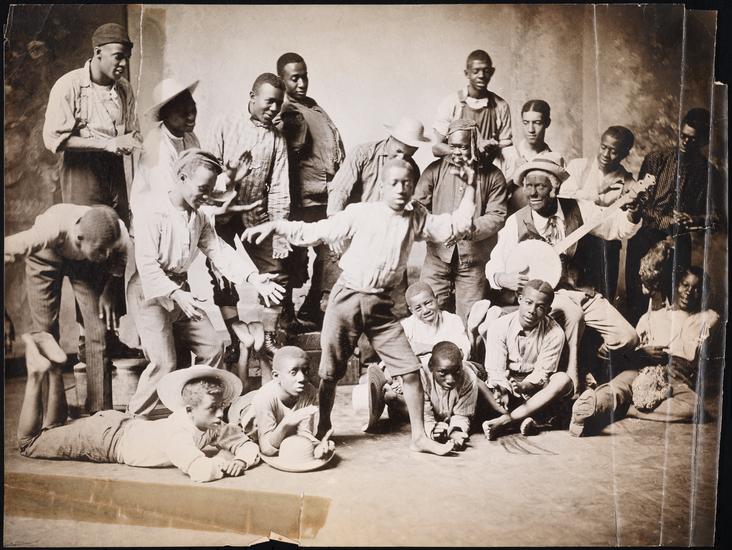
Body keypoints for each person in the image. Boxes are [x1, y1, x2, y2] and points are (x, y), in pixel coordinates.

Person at [243, 157, 477, 455]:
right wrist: (278, 226)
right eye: (394, 183)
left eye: (406, 183)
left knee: (410, 369)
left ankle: (419, 437)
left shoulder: (417, 216)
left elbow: (455, 226)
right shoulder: (361, 213)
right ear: (382, 187)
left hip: (382, 304)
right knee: (330, 373)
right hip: (347, 298)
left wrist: (470, 186)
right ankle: (323, 427)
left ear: (413, 187)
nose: (400, 189)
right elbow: (318, 231)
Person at [127, 149, 284, 416]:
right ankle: (133, 420)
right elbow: (147, 265)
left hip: (181, 291)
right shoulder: (152, 212)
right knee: (164, 363)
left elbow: (218, 251)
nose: (206, 196)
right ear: (182, 178)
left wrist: (253, 278)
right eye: (202, 189)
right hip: (150, 292)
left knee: (212, 346)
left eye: (210, 190)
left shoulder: (199, 216)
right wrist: (177, 294)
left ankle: (199, 414)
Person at [484, 153, 648, 396]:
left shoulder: (579, 208)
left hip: (581, 292)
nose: (532, 193)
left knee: (628, 337)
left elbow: (617, 228)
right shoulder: (515, 222)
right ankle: (573, 388)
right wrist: (501, 278)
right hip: (549, 297)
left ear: (555, 188)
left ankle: (589, 364)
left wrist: (632, 213)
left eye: (540, 186)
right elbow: (493, 265)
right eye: (528, 186)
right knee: (573, 316)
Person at [17, 350, 261, 483]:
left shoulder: (211, 423)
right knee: (29, 443)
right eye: (212, 408)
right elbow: (200, 471)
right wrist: (222, 461)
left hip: (122, 426)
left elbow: (246, 444)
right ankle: (35, 374)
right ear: (189, 410)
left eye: (221, 406)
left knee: (53, 429)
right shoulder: (179, 434)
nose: (220, 414)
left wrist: (240, 461)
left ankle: (55, 368)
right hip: (106, 439)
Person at [5, 204, 131, 413]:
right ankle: (52, 413)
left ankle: (100, 413)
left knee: (98, 329)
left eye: (110, 249)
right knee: (46, 334)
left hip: (84, 262)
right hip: (45, 255)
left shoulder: (117, 232)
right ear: (80, 237)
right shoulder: (51, 228)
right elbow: (12, 247)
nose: (107, 255)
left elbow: (121, 259)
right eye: (102, 250)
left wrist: (109, 291)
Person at [570, 266, 720, 436]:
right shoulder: (652, 316)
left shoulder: (706, 318)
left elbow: (701, 334)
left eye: (697, 288)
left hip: (676, 375)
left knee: (696, 407)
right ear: (677, 286)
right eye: (685, 285)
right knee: (618, 388)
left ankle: (627, 408)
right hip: (644, 368)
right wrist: (643, 351)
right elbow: (631, 349)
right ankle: (585, 409)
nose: (689, 292)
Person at [206, 73, 291, 354]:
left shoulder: (277, 139)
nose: (273, 109)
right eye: (269, 101)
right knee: (221, 272)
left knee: (275, 269)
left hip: (255, 213)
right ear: (252, 97)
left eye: (278, 103)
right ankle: (235, 335)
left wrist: (279, 231)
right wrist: (227, 182)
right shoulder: (224, 123)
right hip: (221, 211)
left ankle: (268, 337)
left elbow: (278, 187)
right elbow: (207, 171)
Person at [325, 116, 431, 318]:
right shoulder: (363, 153)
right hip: (356, 235)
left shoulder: (411, 169)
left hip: (390, 238)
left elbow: (412, 204)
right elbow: (339, 189)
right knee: (349, 297)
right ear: (391, 138)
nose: (402, 158)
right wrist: (334, 225)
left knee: (395, 303)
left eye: (408, 154)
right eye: (398, 151)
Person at [625, 108, 718, 325]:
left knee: (671, 305)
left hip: (679, 246)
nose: (685, 141)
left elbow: (718, 219)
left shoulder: (709, 172)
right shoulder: (656, 159)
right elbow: (640, 204)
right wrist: (666, 221)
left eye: (692, 139)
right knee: (637, 302)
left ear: (704, 141)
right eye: (683, 135)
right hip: (644, 240)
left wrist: (695, 220)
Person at [42, 22, 140, 224]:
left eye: (127, 58)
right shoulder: (69, 85)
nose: (123, 64)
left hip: (116, 174)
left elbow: (131, 133)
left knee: (119, 232)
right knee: (89, 233)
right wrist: (107, 143)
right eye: (118, 56)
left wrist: (133, 141)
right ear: (98, 52)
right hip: (80, 174)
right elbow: (55, 140)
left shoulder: (124, 88)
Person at [276, 52, 345, 330]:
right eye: (295, 78)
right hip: (299, 199)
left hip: (325, 196)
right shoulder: (286, 111)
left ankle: (313, 307)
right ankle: (284, 316)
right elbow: (283, 156)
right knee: (293, 256)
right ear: (282, 80)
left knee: (330, 252)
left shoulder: (313, 107)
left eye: (304, 77)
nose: (302, 83)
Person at [415, 118, 507, 323]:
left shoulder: (494, 176)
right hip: (436, 260)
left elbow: (497, 216)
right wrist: (437, 229)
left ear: (474, 144)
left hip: (474, 263)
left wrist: (468, 230)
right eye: (452, 146)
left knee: (471, 321)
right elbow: (418, 207)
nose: (456, 152)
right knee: (428, 318)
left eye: (463, 147)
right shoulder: (434, 171)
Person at [481, 280, 573, 440]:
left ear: (548, 310)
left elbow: (541, 374)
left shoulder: (555, 333)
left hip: (535, 391)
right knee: (474, 379)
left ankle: (507, 421)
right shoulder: (499, 326)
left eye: (540, 307)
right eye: (529, 303)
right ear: (520, 299)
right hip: (505, 388)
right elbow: (496, 371)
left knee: (563, 380)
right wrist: (503, 389)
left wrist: (523, 386)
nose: (532, 311)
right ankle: (531, 419)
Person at [562, 125, 636, 300]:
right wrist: (597, 197)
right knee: (570, 297)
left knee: (603, 299)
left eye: (613, 151)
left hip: (606, 251)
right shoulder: (579, 167)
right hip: (575, 245)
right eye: (603, 147)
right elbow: (565, 199)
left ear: (625, 154)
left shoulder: (629, 184)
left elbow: (623, 224)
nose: (605, 154)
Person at [227, 346, 334, 459]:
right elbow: (267, 449)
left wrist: (317, 445)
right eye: (293, 372)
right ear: (276, 376)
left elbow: (304, 432)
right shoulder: (264, 398)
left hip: (269, 405)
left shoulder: (309, 390)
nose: (302, 378)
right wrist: (286, 423)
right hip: (243, 407)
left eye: (305, 371)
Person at [129, 77, 201, 207]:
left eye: (193, 109)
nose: (191, 117)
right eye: (183, 112)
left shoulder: (190, 136)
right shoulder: (156, 146)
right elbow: (170, 197)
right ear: (165, 115)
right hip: (156, 212)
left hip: (184, 204)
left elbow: (198, 174)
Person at [432, 49, 512, 160]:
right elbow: (436, 148)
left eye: (486, 71)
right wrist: (469, 150)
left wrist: (493, 147)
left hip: (488, 168)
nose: (481, 75)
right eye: (475, 71)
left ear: (492, 72)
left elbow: (506, 147)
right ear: (467, 73)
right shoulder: (451, 103)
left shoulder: (501, 106)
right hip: (454, 167)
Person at [494, 100, 555, 214]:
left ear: (547, 123)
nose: (531, 129)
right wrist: (514, 176)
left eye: (537, 123)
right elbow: (492, 196)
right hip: (508, 219)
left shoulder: (553, 160)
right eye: (526, 123)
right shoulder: (507, 154)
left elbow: (556, 202)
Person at [422, 342, 478, 451]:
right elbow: (424, 414)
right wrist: (432, 430)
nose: (450, 380)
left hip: (476, 370)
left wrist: (456, 431)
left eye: (456, 372)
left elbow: (463, 414)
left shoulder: (469, 378)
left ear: (461, 366)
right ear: (430, 366)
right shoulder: (421, 376)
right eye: (442, 372)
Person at [400, 282, 471, 368]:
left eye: (428, 303)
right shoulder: (407, 325)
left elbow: (463, 353)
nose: (425, 310)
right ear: (412, 311)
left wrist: (429, 348)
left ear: (436, 299)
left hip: (449, 371)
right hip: (419, 371)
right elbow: (396, 356)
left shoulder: (453, 320)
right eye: (418, 308)